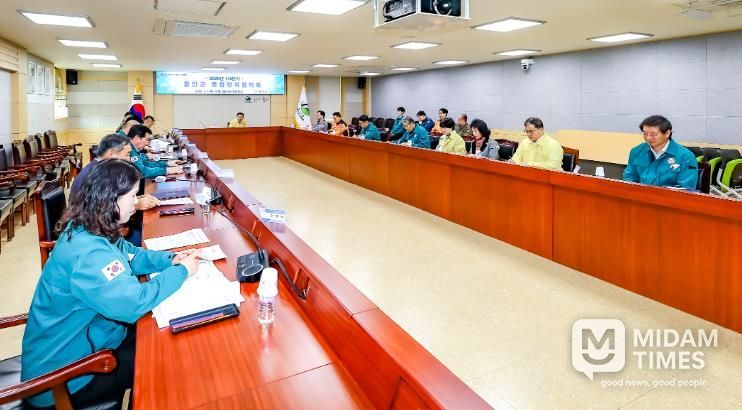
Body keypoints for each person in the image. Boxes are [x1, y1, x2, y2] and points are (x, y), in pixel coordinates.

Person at [21, 159, 201, 409]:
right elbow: (134, 303)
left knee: (164, 333)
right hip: (64, 377)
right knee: (165, 358)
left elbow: (131, 255)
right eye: (132, 196)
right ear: (110, 200)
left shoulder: (92, 226)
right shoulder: (88, 252)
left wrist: (170, 260)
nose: (136, 202)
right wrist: (181, 272)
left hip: (93, 339)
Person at [71, 133, 160, 210]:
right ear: (112, 154)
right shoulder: (96, 175)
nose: (129, 159)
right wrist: (136, 205)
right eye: (127, 154)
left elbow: (112, 198)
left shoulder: (103, 168)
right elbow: (98, 210)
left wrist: (136, 198)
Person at [623, 115, 698, 190]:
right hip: (640, 195)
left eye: (653, 134)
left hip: (668, 196)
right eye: (645, 134)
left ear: (667, 133)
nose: (648, 138)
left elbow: (685, 188)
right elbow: (629, 178)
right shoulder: (637, 151)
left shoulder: (686, 156)